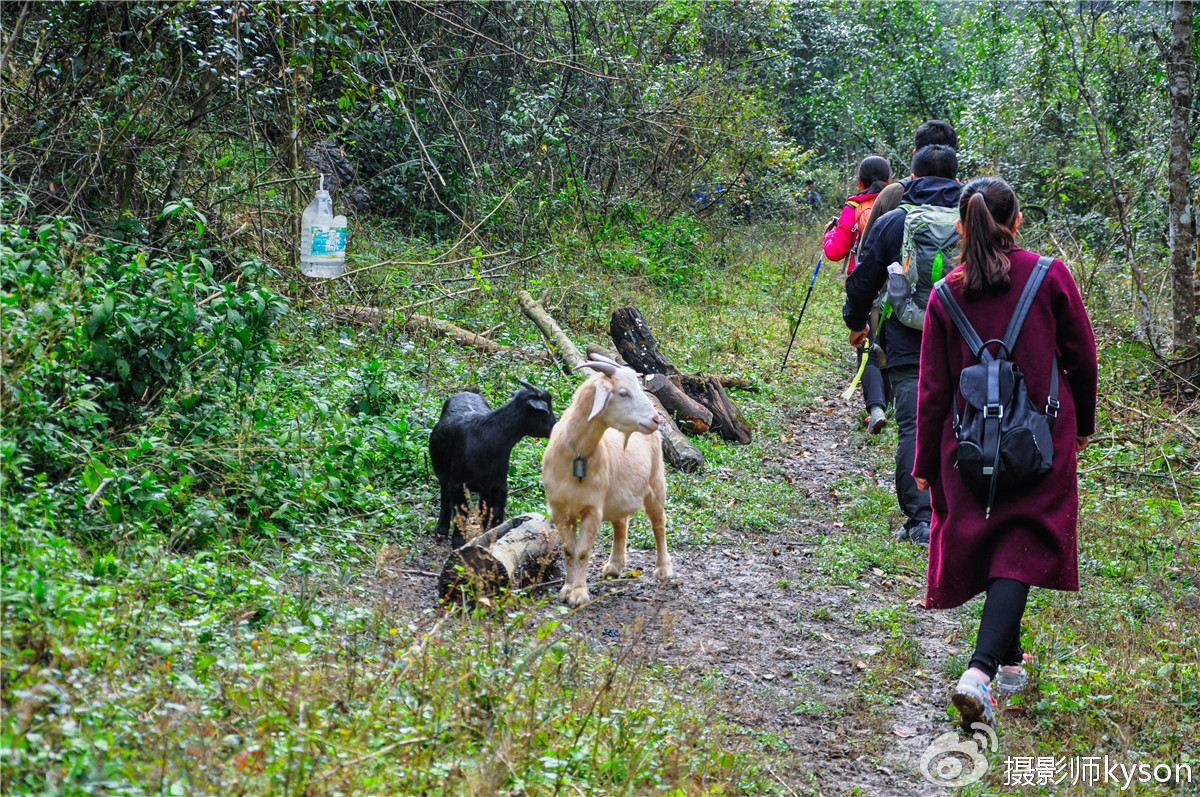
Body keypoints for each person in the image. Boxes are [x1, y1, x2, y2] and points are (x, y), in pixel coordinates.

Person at [912, 176, 1097, 730]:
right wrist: (1083, 424)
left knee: (999, 541)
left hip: (968, 446)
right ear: (1016, 222)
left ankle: (1011, 660)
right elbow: (1082, 358)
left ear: (962, 227)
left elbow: (933, 390)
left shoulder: (946, 292)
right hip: (1040, 437)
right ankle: (980, 672)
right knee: (1018, 546)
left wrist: (925, 462)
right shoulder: (1049, 276)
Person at [843, 144, 961, 546]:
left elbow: (862, 279)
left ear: (912, 176)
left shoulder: (895, 220)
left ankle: (921, 522)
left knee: (914, 426)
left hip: (909, 341)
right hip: (967, 344)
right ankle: (963, 515)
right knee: (965, 422)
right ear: (957, 179)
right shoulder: (973, 220)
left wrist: (857, 324)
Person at [823, 155, 892, 433]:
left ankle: (876, 408)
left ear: (860, 181)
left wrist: (828, 235)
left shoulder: (854, 206)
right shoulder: (901, 199)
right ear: (889, 180)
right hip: (901, 284)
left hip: (868, 286)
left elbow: (835, 250)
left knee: (868, 344)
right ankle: (895, 404)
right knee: (893, 342)